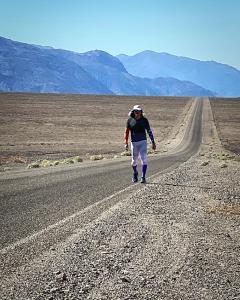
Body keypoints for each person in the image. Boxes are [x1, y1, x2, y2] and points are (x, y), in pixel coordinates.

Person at [124, 104, 156, 183]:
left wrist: (153, 142)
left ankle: (143, 177)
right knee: (133, 161)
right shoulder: (130, 120)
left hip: (143, 142)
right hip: (134, 143)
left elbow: (149, 131)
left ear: (141, 112)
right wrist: (126, 142)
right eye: (136, 111)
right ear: (133, 112)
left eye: (139, 111)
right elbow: (126, 132)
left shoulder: (144, 120)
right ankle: (135, 173)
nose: (137, 113)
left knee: (144, 159)